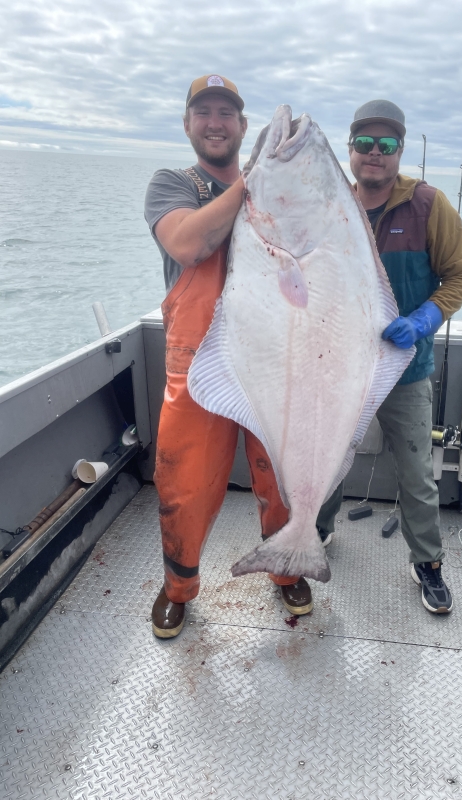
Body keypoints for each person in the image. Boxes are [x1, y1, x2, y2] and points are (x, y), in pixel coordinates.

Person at [143, 75, 314, 638]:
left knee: (280, 477)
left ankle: (288, 565)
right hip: (196, 364)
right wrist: (254, 184)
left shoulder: (272, 189)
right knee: (184, 483)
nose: (215, 122)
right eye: (204, 112)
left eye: (227, 113)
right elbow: (190, 244)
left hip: (270, 357)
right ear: (188, 123)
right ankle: (178, 589)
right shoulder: (173, 184)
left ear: (243, 127)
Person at [322, 99, 462, 614]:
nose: (373, 154)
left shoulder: (429, 205)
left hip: (405, 368)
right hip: (339, 368)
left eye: (385, 145)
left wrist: (426, 320)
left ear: (400, 152)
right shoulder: (331, 205)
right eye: (364, 143)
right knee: (324, 460)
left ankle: (427, 563)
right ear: (350, 149)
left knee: (417, 473)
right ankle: (313, 534)